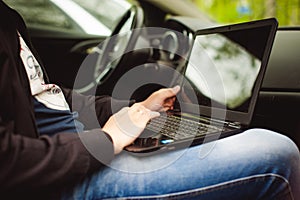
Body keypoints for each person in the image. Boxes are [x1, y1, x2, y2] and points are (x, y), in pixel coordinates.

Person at [0, 1, 299, 199]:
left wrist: (134, 111)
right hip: (58, 181)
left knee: (213, 135)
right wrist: (108, 139)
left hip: (75, 151)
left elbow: (46, 97)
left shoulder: (8, 18)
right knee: (277, 153)